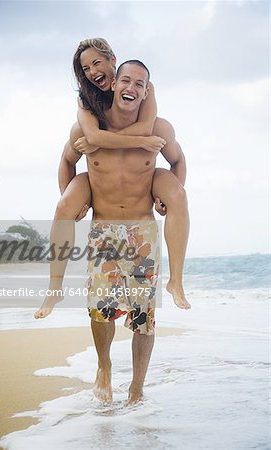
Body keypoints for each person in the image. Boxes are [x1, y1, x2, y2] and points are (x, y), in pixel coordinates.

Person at [34, 38, 190, 321]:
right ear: (116, 82)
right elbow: (67, 160)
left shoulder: (156, 125)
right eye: (87, 67)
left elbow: (177, 159)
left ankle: (176, 280)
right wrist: (76, 206)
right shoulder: (85, 120)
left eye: (97, 62)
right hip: (100, 206)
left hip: (142, 211)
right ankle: (54, 286)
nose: (93, 70)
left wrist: (165, 199)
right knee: (63, 205)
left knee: (178, 194)